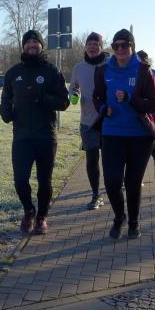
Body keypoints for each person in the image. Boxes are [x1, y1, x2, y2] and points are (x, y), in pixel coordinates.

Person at [0, 30, 70, 235]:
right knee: (20, 180)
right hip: (22, 137)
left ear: (41, 45)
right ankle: (29, 210)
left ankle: (42, 217)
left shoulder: (51, 71)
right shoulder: (13, 73)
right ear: (23, 46)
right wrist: (5, 112)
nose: (32, 45)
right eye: (28, 42)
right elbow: (6, 98)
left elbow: (64, 102)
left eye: (35, 42)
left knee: (44, 181)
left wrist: (43, 98)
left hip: (46, 136)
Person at [93, 29, 155, 240]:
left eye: (124, 45)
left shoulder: (143, 71)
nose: (120, 49)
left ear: (132, 47)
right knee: (111, 181)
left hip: (139, 135)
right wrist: (104, 109)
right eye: (116, 46)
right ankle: (119, 216)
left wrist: (130, 98)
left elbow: (153, 104)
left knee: (132, 182)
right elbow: (97, 97)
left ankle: (134, 222)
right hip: (112, 133)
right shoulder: (103, 70)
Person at [70, 32, 109, 210]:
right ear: (85, 47)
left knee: (111, 160)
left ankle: (115, 187)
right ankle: (95, 195)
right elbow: (73, 88)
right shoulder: (78, 68)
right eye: (90, 44)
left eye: (96, 44)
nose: (92, 46)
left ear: (101, 46)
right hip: (87, 122)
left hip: (108, 119)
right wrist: (74, 95)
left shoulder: (110, 64)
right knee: (91, 160)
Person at [137, 50, 155, 179]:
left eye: (142, 60)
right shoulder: (133, 74)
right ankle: (137, 177)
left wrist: (149, 100)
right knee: (137, 145)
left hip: (154, 114)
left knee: (151, 142)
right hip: (138, 114)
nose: (140, 63)